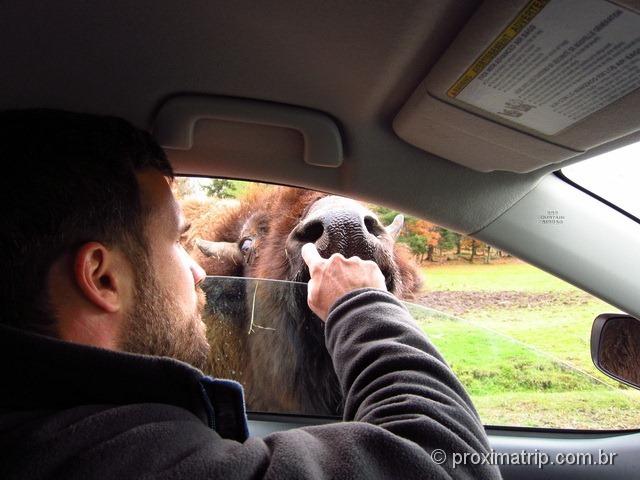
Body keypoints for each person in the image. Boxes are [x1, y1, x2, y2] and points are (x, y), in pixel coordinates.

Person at [0, 109, 501, 479]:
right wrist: (361, 302)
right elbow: (451, 465)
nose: (199, 270)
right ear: (102, 277)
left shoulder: (60, 434)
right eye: (176, 242)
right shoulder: (131, 461)